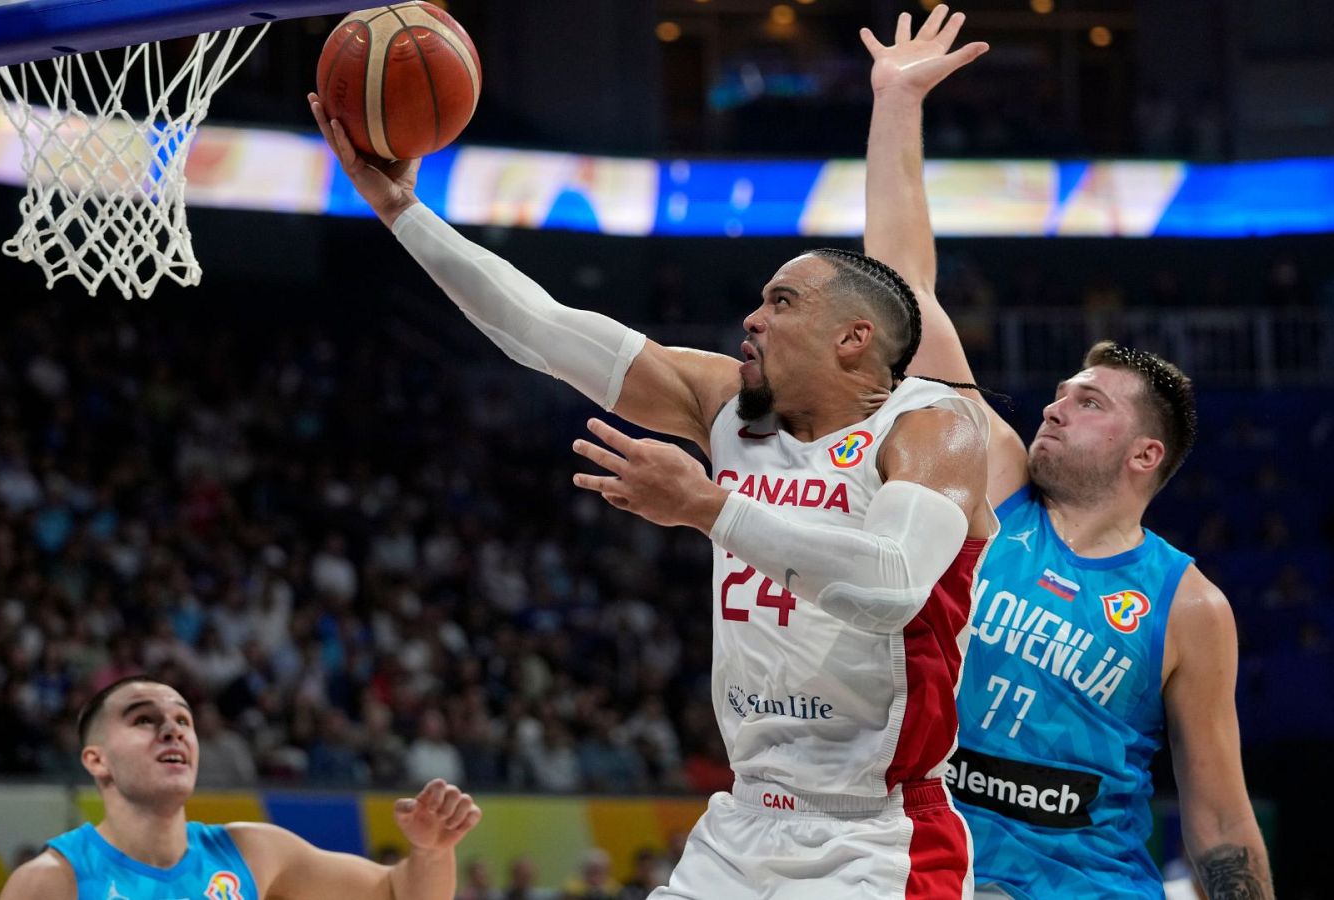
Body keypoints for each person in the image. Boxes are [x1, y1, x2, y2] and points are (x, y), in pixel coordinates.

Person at [309, 11, 993, 892]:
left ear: (854, 339)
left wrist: (710, 508)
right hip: (744, 821)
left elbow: (892, 584)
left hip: (878, 835)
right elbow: (542, 331)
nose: (752, 318)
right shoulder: (726, 407)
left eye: (782, 303)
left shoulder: (933, 426)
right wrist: (404, 212)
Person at [860, 8, 1274, 897]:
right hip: (936, 873)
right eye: (1059, 392)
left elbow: (1220, 819)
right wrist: (895, 103)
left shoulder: (1190, 605)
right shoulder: (996, 477)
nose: (1054, 404)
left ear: (1144, 455)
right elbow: (902, 291)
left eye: (1087, 403)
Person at [0, 675, 482, 900]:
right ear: (96, 760)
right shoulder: (51, 881)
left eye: (182, 720)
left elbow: (400, 895)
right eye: (144, 720)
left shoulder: (253, 852)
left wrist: (433, 853)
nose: (173, 730)